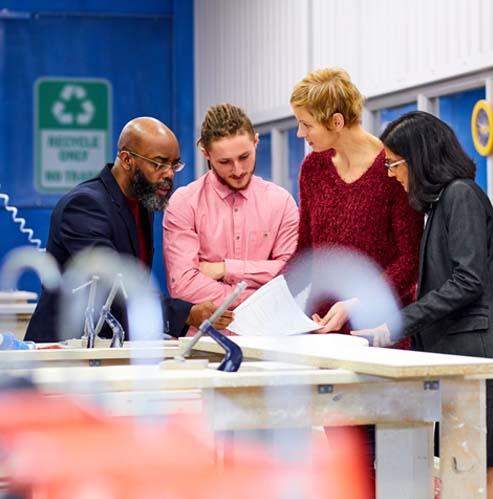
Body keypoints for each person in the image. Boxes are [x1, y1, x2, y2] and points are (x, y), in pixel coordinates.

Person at [288, 68, 423, 499]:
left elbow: (409, 260)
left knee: (396, 463)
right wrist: (274, 303)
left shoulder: (392, 169)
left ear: (336, 121)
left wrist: (357, 301)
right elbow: (305, 249)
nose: (299, 133)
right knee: (349, 463)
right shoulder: (312, 169)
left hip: (382, 339)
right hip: (327, 342)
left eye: (306, 124)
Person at [351, 111, 493, 498]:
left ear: (419, 160)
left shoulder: (461, 195)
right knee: (460, 476)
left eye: (394, 164)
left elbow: (468, 280)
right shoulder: (438, 203)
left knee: (475, 479)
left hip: (472, 355)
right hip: (456, 353)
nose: (391, 174)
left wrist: (396, 325)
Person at [26, 117, 232, 343]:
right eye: (159, 163)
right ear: (126, 159)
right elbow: (113, 286)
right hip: (63, 350)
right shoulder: (84, 206)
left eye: (174, 165)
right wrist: (185, 314)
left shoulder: (143, 203)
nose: (170, 174)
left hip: (108, 345)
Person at [163, 103, 299, 310]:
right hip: (204, 339)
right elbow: (182, 286)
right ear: (206, 153)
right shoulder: (184, 203)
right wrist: (258, 300)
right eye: (225, 162)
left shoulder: (282, 202)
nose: (238, 170)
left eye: (244, 157)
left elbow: (293, 275)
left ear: (255, 142)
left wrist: (225, 269)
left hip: (267, 338)